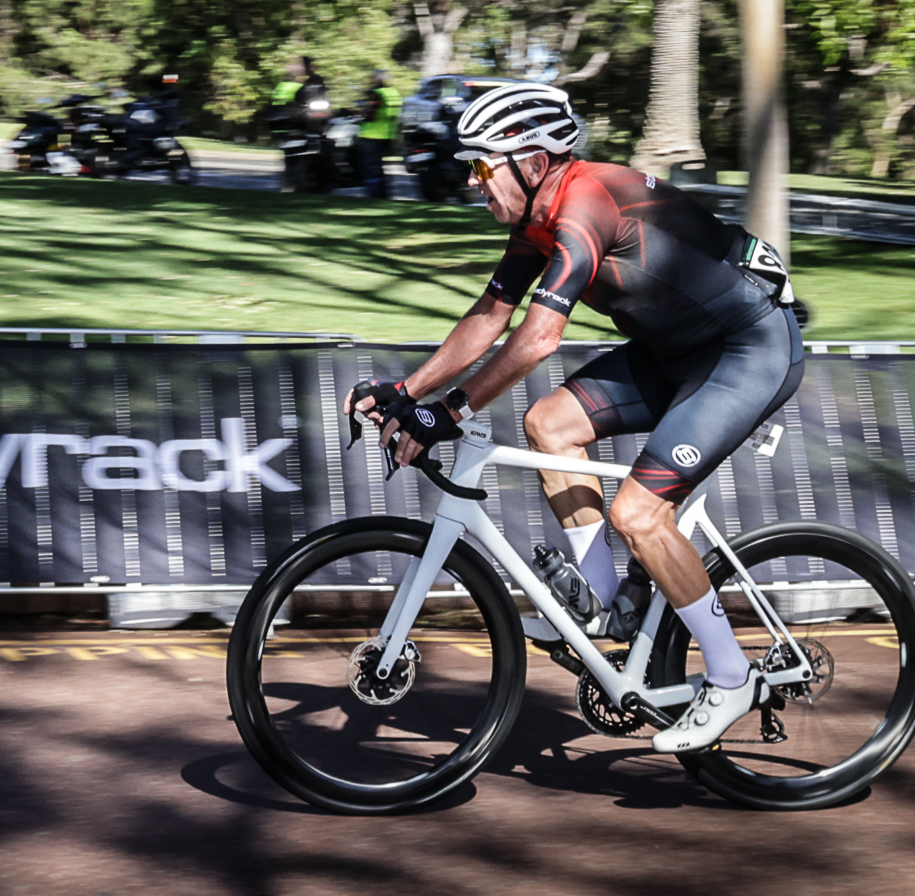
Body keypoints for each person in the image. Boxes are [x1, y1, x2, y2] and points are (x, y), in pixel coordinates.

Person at [345, 81, 805, 754]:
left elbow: (536, 342)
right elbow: (489, 318)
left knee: (638, 514)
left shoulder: (583, 202)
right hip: (676, 351)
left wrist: (448, 411)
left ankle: (730, 674)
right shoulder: (538, 218)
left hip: (749, 349)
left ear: (530, 162)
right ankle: (599, 599)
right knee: (550, 423)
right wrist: (405, 390)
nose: (472, 183)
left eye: (479, 167)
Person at [355, 70, 401, 198]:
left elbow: (370, 114)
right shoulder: (393, 92)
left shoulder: (376, 93)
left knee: (370, 169)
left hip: (370, 135)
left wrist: (359, 114)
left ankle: (374, 196)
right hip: (387, 135)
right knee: (379, 168)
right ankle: (383, 194)